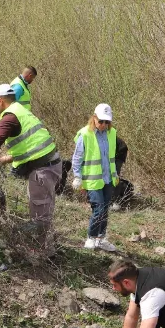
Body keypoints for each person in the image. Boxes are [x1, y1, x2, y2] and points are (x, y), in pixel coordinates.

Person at [0, 83, 62, 244]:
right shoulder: (22, 111)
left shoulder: (9, 117)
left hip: (42, 170)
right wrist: (3, 160)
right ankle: (46, 245)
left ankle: (43, 250)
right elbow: (29, 147)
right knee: (44, 208)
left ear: (0, 101)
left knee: (40, 213)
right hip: (51, 164)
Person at [72, 103, 127, 252]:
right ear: (94, 118)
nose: (103, 125)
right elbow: (77, 158)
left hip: (108, 178)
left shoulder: (112, 133)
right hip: (91, 179)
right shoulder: (85, 134)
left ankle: (101, 239)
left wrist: (115, 175)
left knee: (105, 208)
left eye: (107, 122)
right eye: (101, 121)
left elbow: (111, 157)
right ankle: (91, 237)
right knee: (99, 208)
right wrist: (77, 177)